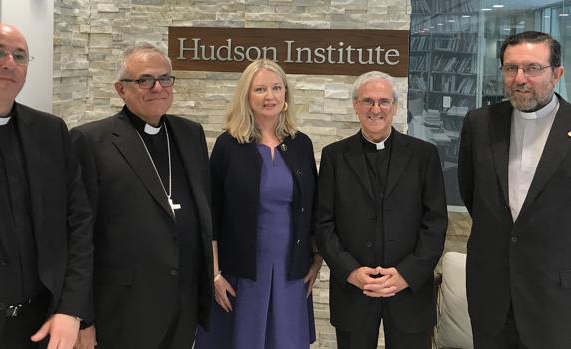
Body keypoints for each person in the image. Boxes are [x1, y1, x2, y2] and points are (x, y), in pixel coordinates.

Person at [0, 23, 93, 349]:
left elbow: (80, 225)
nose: (9, 63)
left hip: (45, 328)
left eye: (20, 56)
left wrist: (72, 309)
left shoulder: (51, 132)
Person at [69, 43, 213, 349]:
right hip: (123, 310)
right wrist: (83, 317)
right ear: (121, 89)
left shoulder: (190, 134)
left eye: (165, 79)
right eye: (145, 80)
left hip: (183, 304)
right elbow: (79, 236)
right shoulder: (91, 141)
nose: (157, 87)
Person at [194, 59, 322, 349]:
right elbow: (211, 213)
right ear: (246, 96)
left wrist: (317, 259)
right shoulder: (229, 145)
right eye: (260, 89)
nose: (270, 96)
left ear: (286, 94)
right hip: (241, 271)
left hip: (292, 269)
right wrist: (213, 273)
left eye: (277, 88)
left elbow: (314, 208)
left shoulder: (301, 144)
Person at [316, 71, 447, 349]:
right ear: (355, 105)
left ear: (395, 107)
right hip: (353, 290)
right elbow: (323, 223)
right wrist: (350, 271)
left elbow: (435, 224)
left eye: (384, 101)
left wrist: (406, 275)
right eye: (367, 101)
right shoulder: (334, 156)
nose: (376, 109)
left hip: (410, 291)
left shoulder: (424, 155)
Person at [458, 31, 570, 348]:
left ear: (557, 74)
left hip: (555, 295)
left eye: (532, 68)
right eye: (511, 68)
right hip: (491, 293)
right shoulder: (479, 123)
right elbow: (471, 193)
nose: (520, 79)